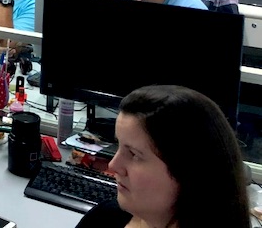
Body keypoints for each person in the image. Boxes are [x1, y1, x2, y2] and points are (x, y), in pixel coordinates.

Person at [76, 85, 248, 228]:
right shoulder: (105, 219)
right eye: (119, 146)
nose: (113, 165)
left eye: (134, 154)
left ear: (189, 171)